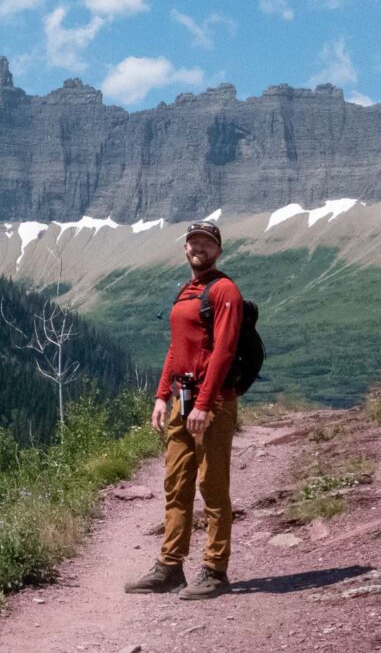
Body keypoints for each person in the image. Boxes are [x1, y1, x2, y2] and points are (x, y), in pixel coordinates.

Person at [124, 220, 243, 600]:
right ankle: (171, 566)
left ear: (218, 250)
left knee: (212, 484)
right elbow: (176, 349)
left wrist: (205, 404)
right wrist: (162, 396)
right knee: (176, 484)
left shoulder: (224, 291)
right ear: (185, 249)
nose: (198, 248)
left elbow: (223, 351)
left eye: (206, 243)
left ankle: (215, 570)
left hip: (213, 402)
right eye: (193, 242)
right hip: (181, 400)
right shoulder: (186, 292)